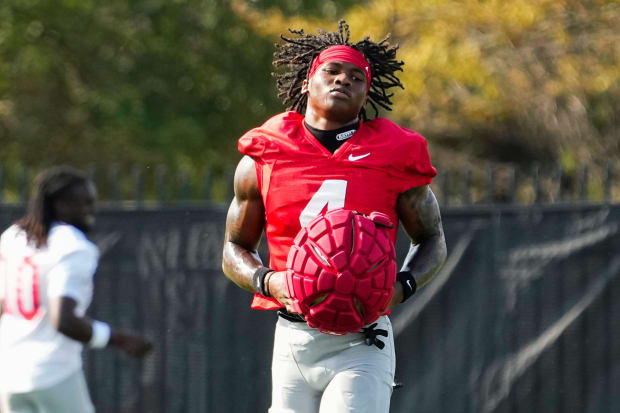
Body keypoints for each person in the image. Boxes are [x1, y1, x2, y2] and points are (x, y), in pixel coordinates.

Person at [222, 20, 447, 413]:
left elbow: (432, 238)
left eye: (357, 77)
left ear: (367, 94)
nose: (343, 80)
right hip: (292, 338)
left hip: (361, 340)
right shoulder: (267, 151)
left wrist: (403, 286)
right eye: (332, 71)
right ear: (308, 81)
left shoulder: (394, 152)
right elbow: (234, 247)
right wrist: (267, 280)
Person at [0, 166, 152, 413]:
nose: (91, 210)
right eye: (84, 203)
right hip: (53, 373)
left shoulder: (13, 236)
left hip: (9, 373)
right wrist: (120, 339)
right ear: (59, 204)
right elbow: (64, 320)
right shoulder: (72, 245)